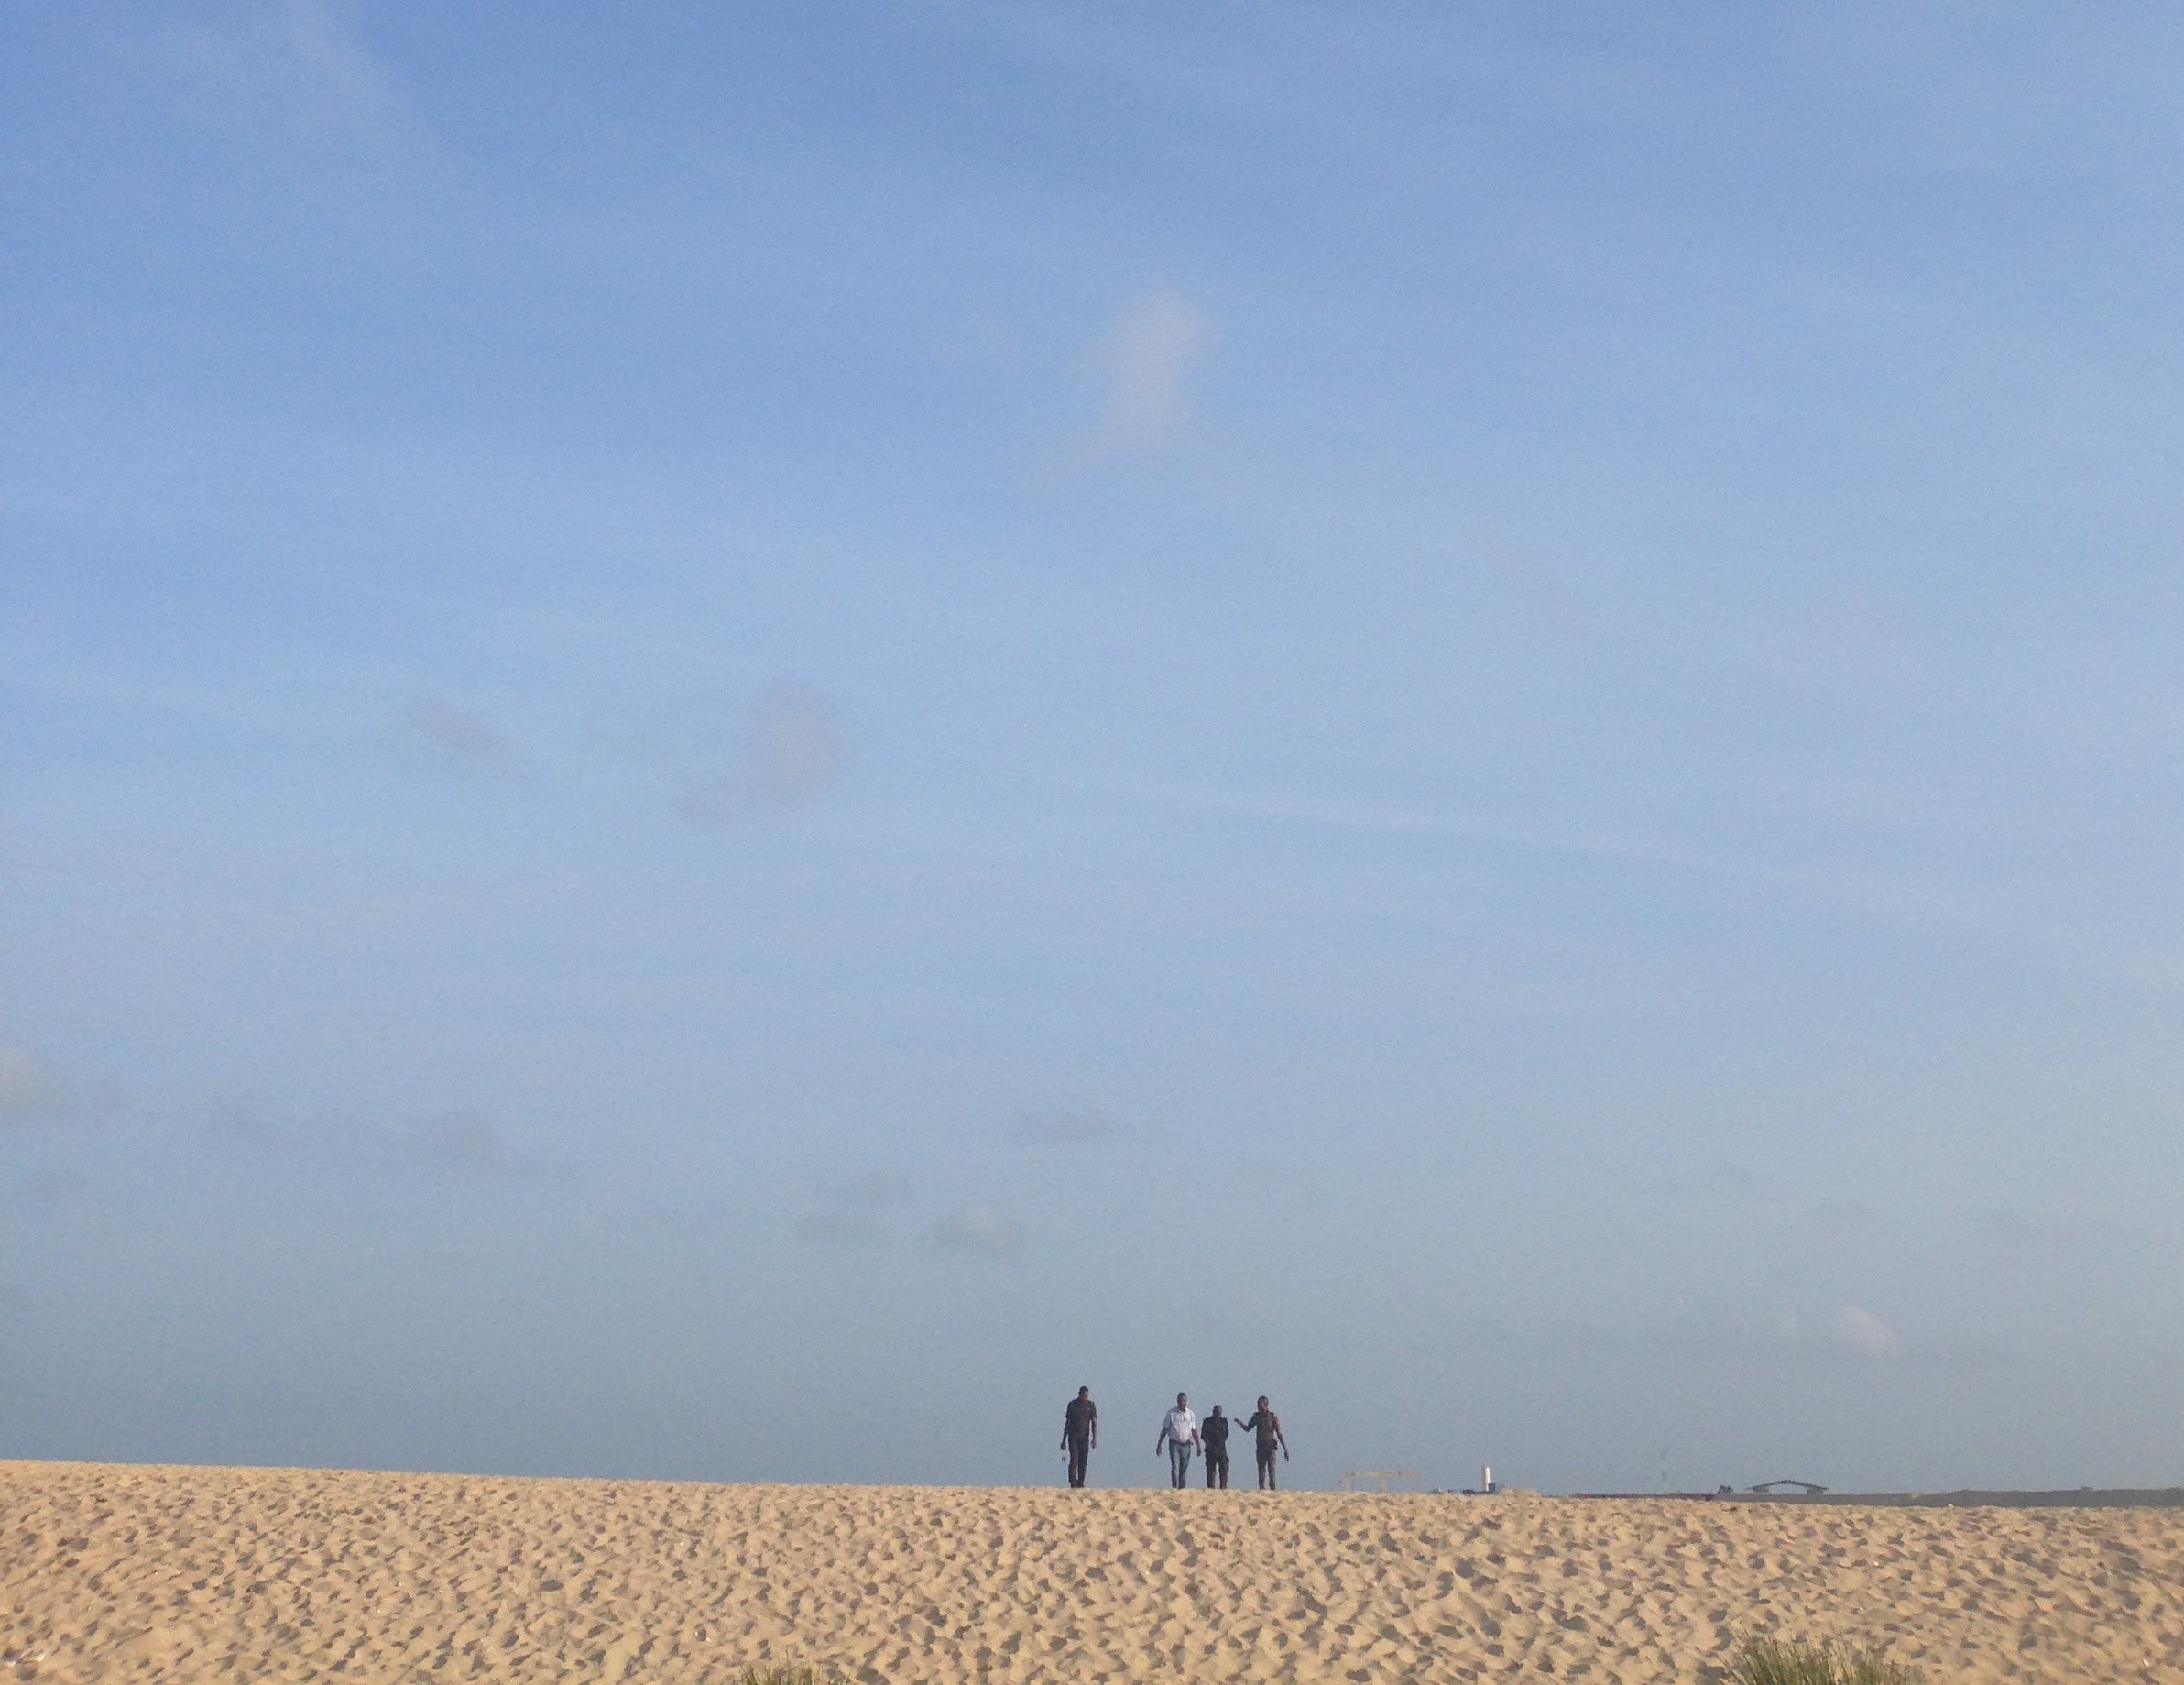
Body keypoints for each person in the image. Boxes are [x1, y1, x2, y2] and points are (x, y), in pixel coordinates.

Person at [1241, 1395, 1288, 1490]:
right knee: (1261, 1472)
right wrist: (1240, 1423)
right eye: (1258, 1404)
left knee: (1272, 1471)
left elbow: (1279, 1433)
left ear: (1266, 1405)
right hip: (1261, 1447)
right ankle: (1262, 1491)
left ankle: (1272, 1491)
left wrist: (1285, 1449)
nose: (1258, 1406)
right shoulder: (1256, 1416)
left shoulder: (1273, 1417)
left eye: (1260, 1404)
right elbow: (1248, 1428)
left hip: (1270, 1447)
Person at [1155, 1392, 1199, 1489]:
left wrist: (1198, 1445)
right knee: (1175, 1466)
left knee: (1184, 1468)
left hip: (1186, 1444)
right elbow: (1165, 1429)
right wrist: (1159, 1444)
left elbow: (1193, 1430)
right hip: (1174, 1443)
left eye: (1183, 1400)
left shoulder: (1191, 1414)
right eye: (1180, 1401)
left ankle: (1182, 1488)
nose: (1181, 1403)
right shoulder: (1171, 1413)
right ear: (1177, 1401)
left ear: (1186, 1401)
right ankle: (1174, 1487)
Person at [1061, 1386, 1098, 1488]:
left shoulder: (1091, 1406)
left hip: (1084, 1438)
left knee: (1083, 1462)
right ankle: (1073, 1482)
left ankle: (1080, 1483)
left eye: (1086, 1396)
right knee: (1074, 1461)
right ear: (1079, 1394)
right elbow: (1067, 1423)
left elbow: (1094, 1423)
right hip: (1073, 1437)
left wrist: (1094, 1439)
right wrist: (1063, 1440)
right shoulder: (1072, 1405)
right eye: (1082, 1396)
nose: (1084, 1398)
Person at [1200, 1404, 1232, 1489]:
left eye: (1219, 1412)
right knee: (1210, 1470)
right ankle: (1211, 1488)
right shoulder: (1207, 1421)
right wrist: (1209, 1445)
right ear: (1213, 1412)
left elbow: (1226, 1434)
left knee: (1224, 1468)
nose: (1218, 1413)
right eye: (1216, 1412)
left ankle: (1223, 1486)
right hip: (1210, 1449)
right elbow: (1203, 1435)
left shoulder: (1224, 1421)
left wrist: (1221, 1443)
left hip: (1221, 1449)